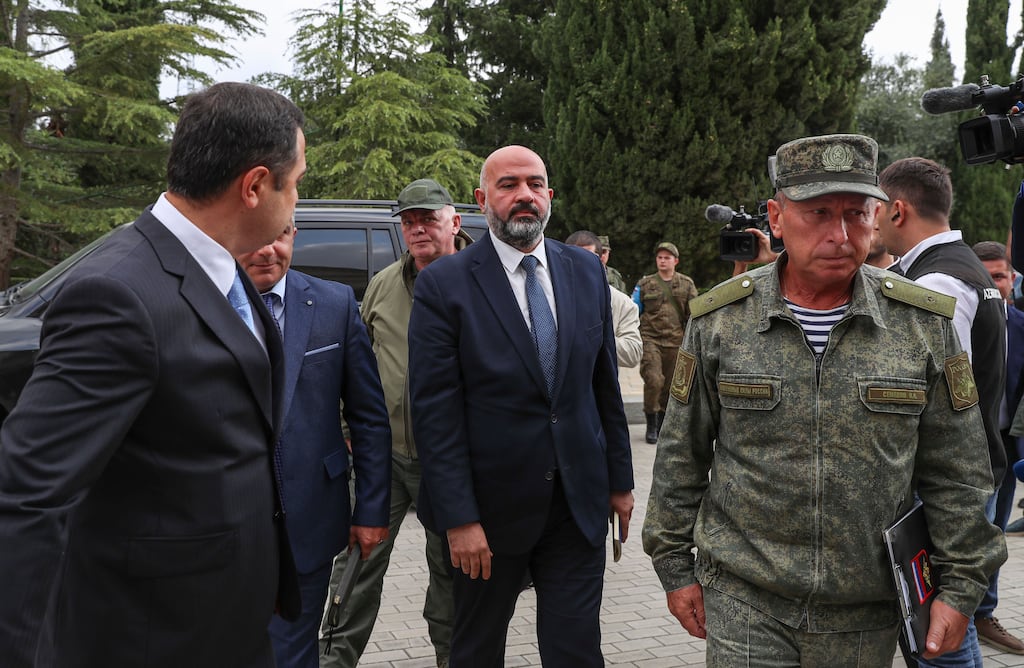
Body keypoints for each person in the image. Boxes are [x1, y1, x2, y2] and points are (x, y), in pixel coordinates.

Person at [643, 133, 1006, 666]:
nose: (840, 234)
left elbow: (959, 470)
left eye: (857, 214)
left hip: (865, 612)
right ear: (775, 216)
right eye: (817, 213)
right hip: (747, 602)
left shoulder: (923, 325)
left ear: (877, 217)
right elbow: (681, 456)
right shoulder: (720, 322)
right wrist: (674, 569)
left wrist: (961, 587)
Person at [0, 82, 307, 667]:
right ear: (255, 186)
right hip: (156, 635)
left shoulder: (221, 265)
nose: (296, 201)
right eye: (294, 184)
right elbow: (27, 494)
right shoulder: (116, 294)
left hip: (228, 621)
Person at [407, 145, 634, 667]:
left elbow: (603, 387)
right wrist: (460, 519)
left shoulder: (584, 270)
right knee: (478, 649)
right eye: (508, 185)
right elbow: (435, 415)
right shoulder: (445, 284)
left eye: (534, 184)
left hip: (577, 507)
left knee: (576, 650)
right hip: (487, 518)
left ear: (549, 196)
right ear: (481, 199)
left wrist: (619, 481)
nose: (523, 196)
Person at [320, 178, 470, 668]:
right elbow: (356, 367)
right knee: (356, 567)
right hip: (385, 459)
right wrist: (347, 432)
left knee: (449, 574)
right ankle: (332, 659)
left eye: (428, 218)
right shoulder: (384, 285)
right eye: (408, 221)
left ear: (454, 220)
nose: (418, 229)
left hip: (451, 464)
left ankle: (454, 658)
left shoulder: (484, 280)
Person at [234, 221, 392, 668]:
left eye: (279, 236)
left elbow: (369, 417)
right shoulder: (204, 303)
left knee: (293, 652)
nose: (268, 249)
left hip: (309, 521)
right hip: (226, 527)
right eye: (256, 237)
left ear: (294, 235)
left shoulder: (334, 303)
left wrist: (371, 510)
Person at [876, 157, 1008, 666]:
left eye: (875, 210)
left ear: (899, 209)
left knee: (939, 636)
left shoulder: (937, 284)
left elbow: (930, 407)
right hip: (965, 479)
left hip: (944, 488)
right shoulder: (955, 268)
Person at [970, 241, 1024, 655]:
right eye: (985, 276)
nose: (993, 284)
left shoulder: (1022, 325)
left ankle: (984, 615)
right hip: (965, 452)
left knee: (996, 542)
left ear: (1012, 278)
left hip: (1006, 449)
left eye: (1000, 276)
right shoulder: (958, 320)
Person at [631, 241, 698, 443]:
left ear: (675, 261)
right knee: (654, 380)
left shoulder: (686, 284)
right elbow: (634, 311)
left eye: (667, 258)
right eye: (659, 257)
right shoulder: (645, 284)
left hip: (676, 341)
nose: (662, 261)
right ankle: (651, 423)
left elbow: (694, 314)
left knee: (670, 386)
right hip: (650, 339)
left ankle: (661, 425)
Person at [566, 230, 643, 368]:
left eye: (588, 258)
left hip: (597, 384)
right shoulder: (547, 295)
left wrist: (594, 338)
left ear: (600, 261)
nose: (581, 265)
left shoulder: (622, 303)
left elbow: (633, 353)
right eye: (575, 258)